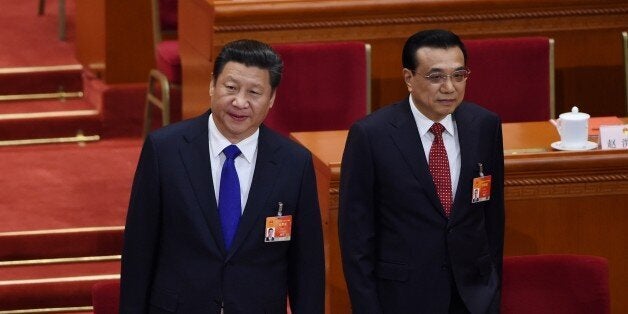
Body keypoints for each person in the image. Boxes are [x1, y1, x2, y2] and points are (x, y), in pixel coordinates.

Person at [120, 39, 325, 313]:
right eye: (231, 87)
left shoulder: (293, 162)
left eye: (254, 92)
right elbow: (138, 252)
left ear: (272, 98)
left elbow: (307, 268)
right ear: (212, 84)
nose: (240, 102)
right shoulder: (165, 150)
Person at [338, 29, 504, 314]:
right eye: (436, 77)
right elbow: (356, 238)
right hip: (402, 298)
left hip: (472, 297)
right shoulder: (371, 135)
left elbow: (492, 217)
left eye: (459, 75)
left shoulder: (484, 125)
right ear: (408, 78)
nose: (449, 87)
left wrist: (491, 290)